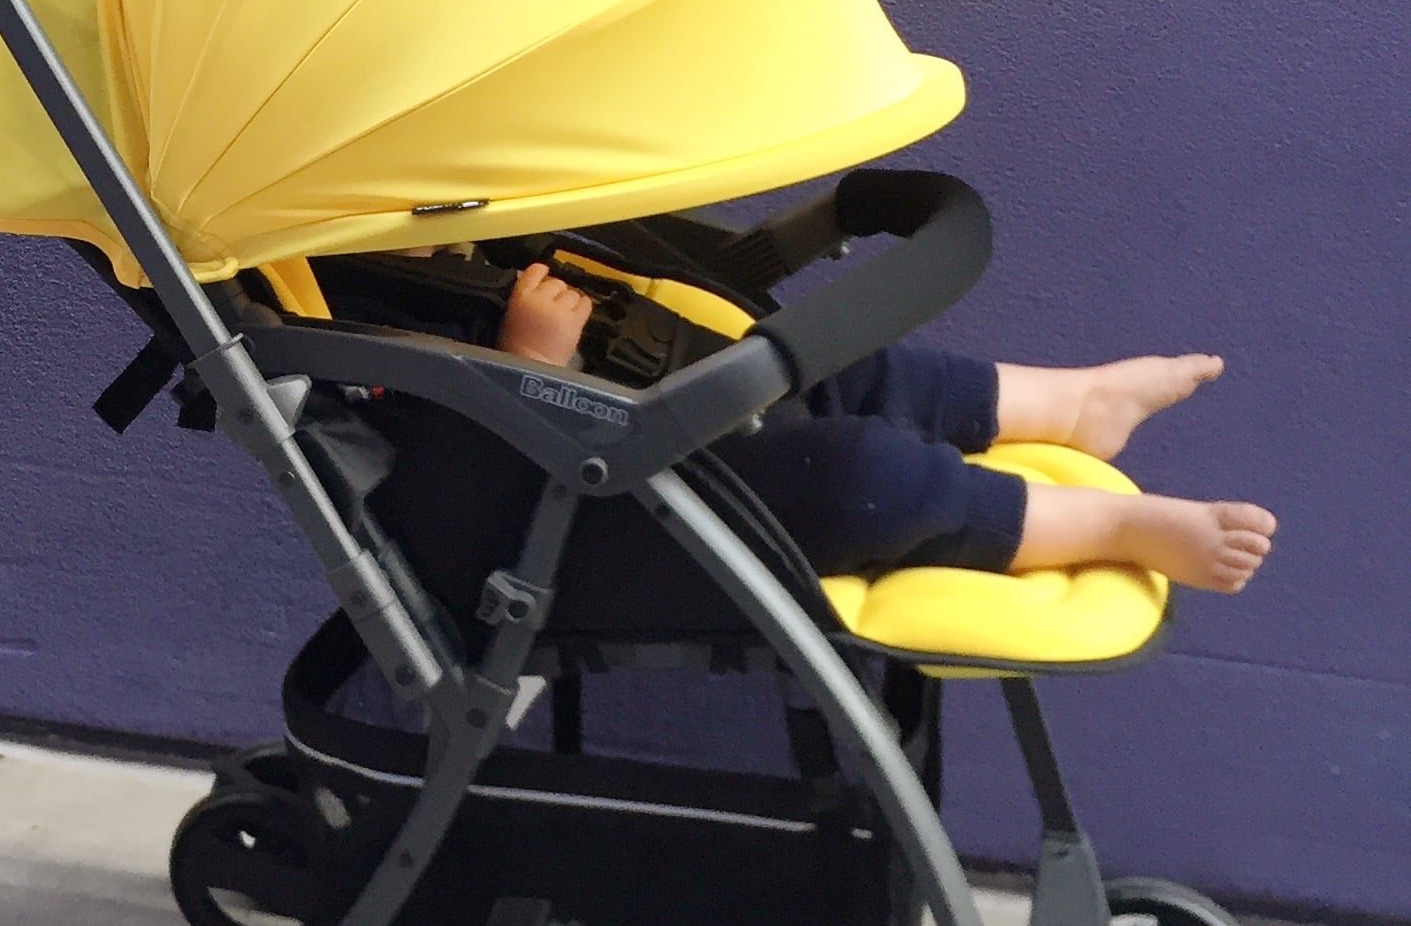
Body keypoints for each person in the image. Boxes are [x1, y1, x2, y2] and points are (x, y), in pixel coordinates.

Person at [497, 261, 1276, 591]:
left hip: (645, 413)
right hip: (588, 514)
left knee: (829, 366)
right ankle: (1111, 526)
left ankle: (1072, 405)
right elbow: (455, 489)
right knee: (863, 476)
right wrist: (532, 371)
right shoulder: (374, 389)